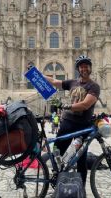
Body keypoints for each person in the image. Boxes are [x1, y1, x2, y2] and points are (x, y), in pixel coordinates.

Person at [44, 55, 100, 187]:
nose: (84, 68)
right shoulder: (72, 83)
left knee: (81, 159)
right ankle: (56, 179)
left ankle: (81, 190)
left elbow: (86, 105)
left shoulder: (94, 86)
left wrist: (66, 106)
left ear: (90, 68)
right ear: (78, 69)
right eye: (81, 66)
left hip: (83, 127)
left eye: (86, 66)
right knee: (58, 151)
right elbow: (54, 81)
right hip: (67, 123)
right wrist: (35, 73)